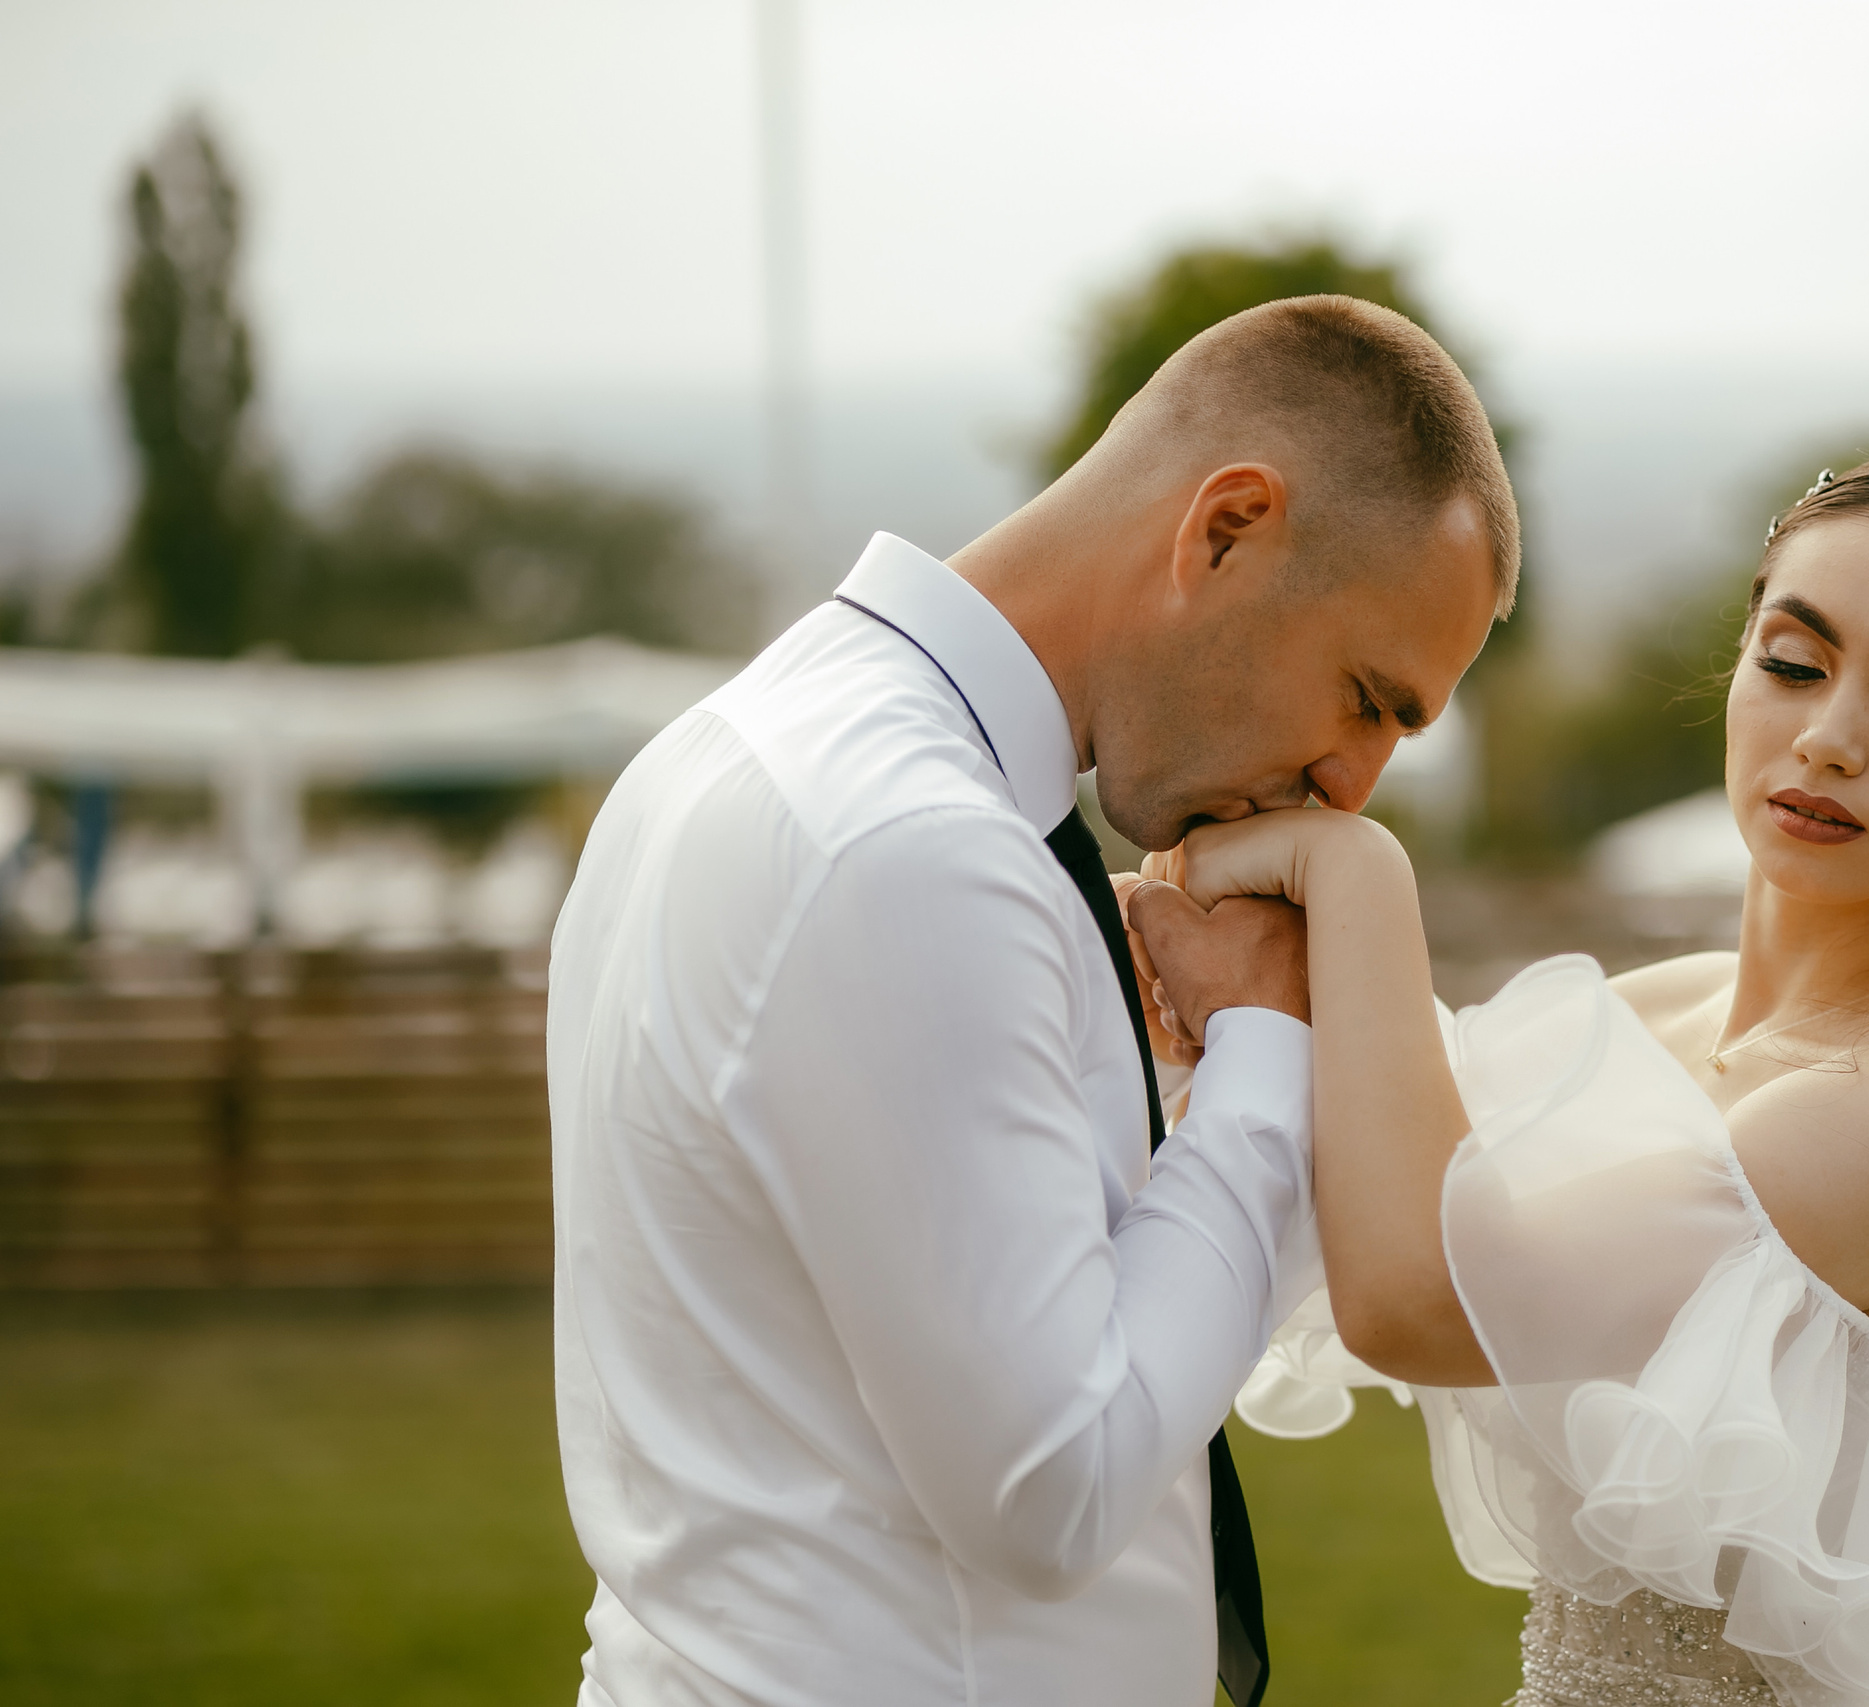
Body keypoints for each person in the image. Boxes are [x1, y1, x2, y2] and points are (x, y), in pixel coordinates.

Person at [546, 295, 1518, 1707]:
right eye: (1369, 697)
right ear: (1226, 527)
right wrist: (1264, 1043)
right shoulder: (908, 849)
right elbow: (1053, 1484)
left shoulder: (754, 749)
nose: (1354, 784)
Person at [1126, 443, 1869, 1707]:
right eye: (1793, 664)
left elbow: (1415, 1296)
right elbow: (1358, 1166)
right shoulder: (1659, 1015)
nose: (1830, 738)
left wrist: (1355, 877)